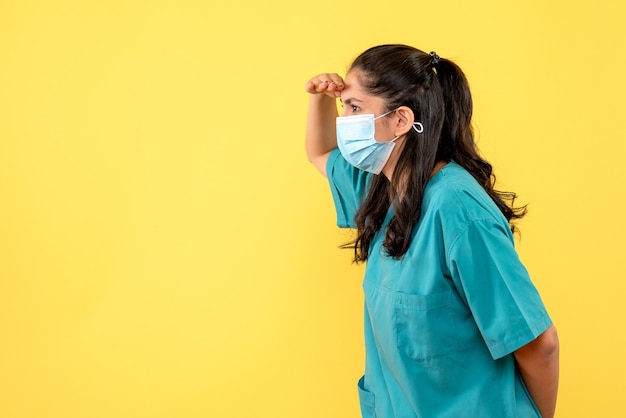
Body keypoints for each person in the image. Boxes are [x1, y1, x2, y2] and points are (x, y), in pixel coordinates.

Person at [304, 44, 559, 418]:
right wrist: (322, 100)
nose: (346, 121)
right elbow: (321, 153)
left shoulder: (457, 209)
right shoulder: (382, 187)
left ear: (401, 120)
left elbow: (540, 344)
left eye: (355, 108)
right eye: (345, 107)